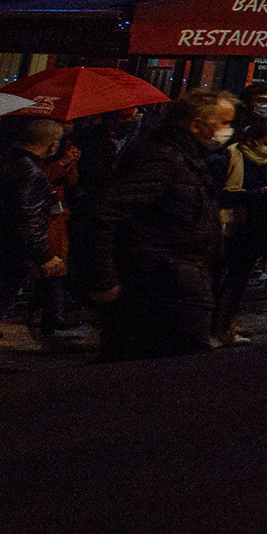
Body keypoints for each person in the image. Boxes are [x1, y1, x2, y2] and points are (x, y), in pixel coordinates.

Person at [75, 89, 234, 361]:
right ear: (196, 124)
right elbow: (104, 213)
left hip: (174, 285)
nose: (228, 131)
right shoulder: (164, 158)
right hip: (160, 291)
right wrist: (104, 280)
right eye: (224, 123)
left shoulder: (186, 159)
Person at [0, 116, 68, 378]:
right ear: (51, 145)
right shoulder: (30, 173)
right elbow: (27, 221)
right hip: (5, 254)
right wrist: (43, 257)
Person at [216, 111, 267, 341]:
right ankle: (218, 326)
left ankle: (229, 323)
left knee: (239, 280)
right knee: (223, 280)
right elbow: (221, 195)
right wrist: (258, 194)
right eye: (266, 143)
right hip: (232, 227)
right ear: (250, 140)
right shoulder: (229, 158)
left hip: (256, 225)